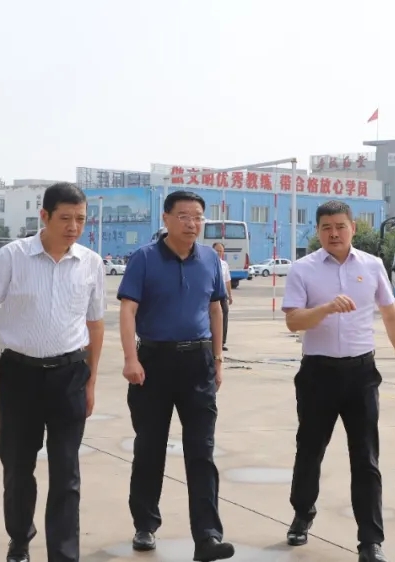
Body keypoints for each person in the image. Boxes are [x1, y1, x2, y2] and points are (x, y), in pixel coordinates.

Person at [0, 183, 105, 562]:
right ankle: (20, 540)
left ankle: (63, 553)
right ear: (44, 216)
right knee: (17, 466)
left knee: (66, 471)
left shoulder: (91, 263)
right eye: (65, 218)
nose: (73, 227)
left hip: (70, 375)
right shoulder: (13, 257)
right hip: (19, 376)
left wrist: (91, 381)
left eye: (80, 219)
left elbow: (95, 326)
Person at [280, 200, 395, 562]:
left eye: (340, 226)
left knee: (366, 457)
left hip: (361, 375)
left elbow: (390, 315)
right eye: (326, 227)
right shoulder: (303, 269)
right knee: (310, 450)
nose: (334, 233)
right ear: (317, 231)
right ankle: (302, 513)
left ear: (353, 228)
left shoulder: (372, 265)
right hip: (318, 374)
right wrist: (325, 309)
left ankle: (370, 540)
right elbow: (293, 322)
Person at [117, 190, 234, 561]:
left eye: (198, 216)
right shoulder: (144, 258)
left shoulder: (210, 259)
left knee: (202, 451)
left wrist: (218, 359)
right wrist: (131, 359)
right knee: (150, 448)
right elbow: (128, 310)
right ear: (166, 219)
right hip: (153, 363)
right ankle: (145, 524)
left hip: (198, 363)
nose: (192, 223)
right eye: (183, 216)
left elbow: (216, 309)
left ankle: (208, 537)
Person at [212, 242, 233, 352]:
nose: (219, 253)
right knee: (212, 317)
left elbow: (227, 281)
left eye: (221, 251)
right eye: (217, 250)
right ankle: (212, 341)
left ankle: (222, 342)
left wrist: (230, 295)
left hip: (223, 295)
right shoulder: (209, 262)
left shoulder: (224, 264)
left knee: (224, 315)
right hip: (212, 295)